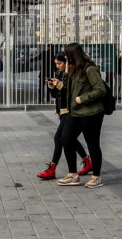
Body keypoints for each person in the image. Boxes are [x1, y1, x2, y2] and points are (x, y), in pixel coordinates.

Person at [57, 43, 107, 188]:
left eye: (67, 55)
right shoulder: (73, 69)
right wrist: (66, 73)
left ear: (73, 55)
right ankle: (73, 175)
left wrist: (82, 99)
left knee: (92, 144)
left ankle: (96, 177)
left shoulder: (89, 69)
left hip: (91, 113)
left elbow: (100, 90)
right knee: (66, 139)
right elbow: (67, 88)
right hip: (76, 112)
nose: (65, 58)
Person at [38, 53, 91, 180]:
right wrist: (52, 85)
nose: (57, 66)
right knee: (69, 138)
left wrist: (60, 85)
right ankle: (87, 161)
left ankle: (52, 168)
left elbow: (71, 92)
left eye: (60, 63)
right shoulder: (59, 74)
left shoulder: (73, 74)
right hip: (62, 111)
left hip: (70, 111)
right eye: (56, 64)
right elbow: (56, 95)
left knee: (59, 138)